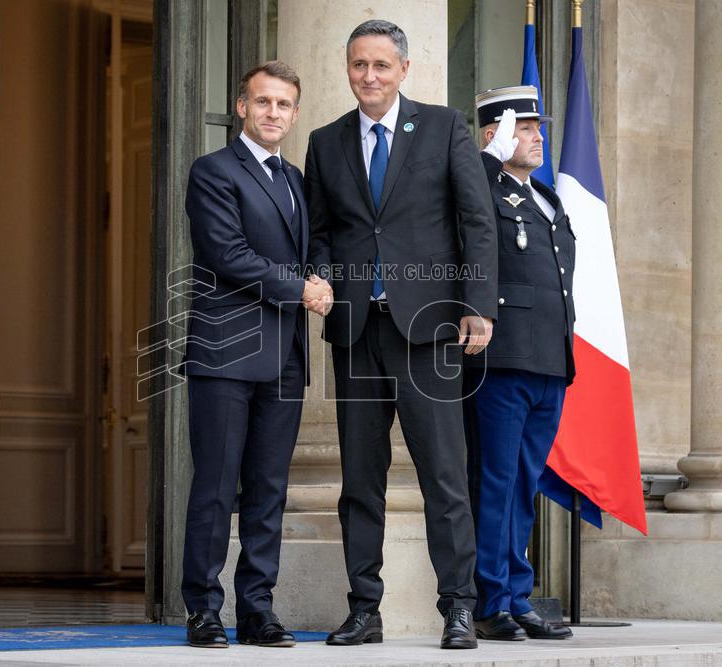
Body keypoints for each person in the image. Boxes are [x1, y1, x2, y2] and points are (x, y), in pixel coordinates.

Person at [304, 19, 498, 650]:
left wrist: (477, 305)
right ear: (348, 68)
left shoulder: (443, 128)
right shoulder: (326, 142)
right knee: (360, 479)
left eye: (381, 65)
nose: (369, 76)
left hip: (431, 332)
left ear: (404, 70)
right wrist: (324, 279)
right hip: (357, 331)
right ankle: (365, 608)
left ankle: (459, 608)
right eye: (359, 65)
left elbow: (477, 220)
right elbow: (323, 232)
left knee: (445, 474)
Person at [180, 60, 331, 649]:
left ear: (294, 113)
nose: (273, 113)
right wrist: (301, 288)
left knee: (269, 488)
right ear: (242, 107)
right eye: (263, 102)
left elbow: (313, 245)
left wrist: (317, 276)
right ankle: (202, 610)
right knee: (217, 487)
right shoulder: (214, 171)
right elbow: (227, 252)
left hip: (285, 355)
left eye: (284, 105)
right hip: (225, 353)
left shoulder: (294, 180)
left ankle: (257, 609)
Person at [465, 86, 575, 641]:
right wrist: (486, 161)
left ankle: (517, 592)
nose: (537, 137)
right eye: (524, 128)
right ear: (496, 134)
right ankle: (490, 600)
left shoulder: (547, 198)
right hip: (504, 361)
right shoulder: (486, 187)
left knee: (524, 484)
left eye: (537, 127)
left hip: (549, 361)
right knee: (497, 481)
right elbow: (464, 214)